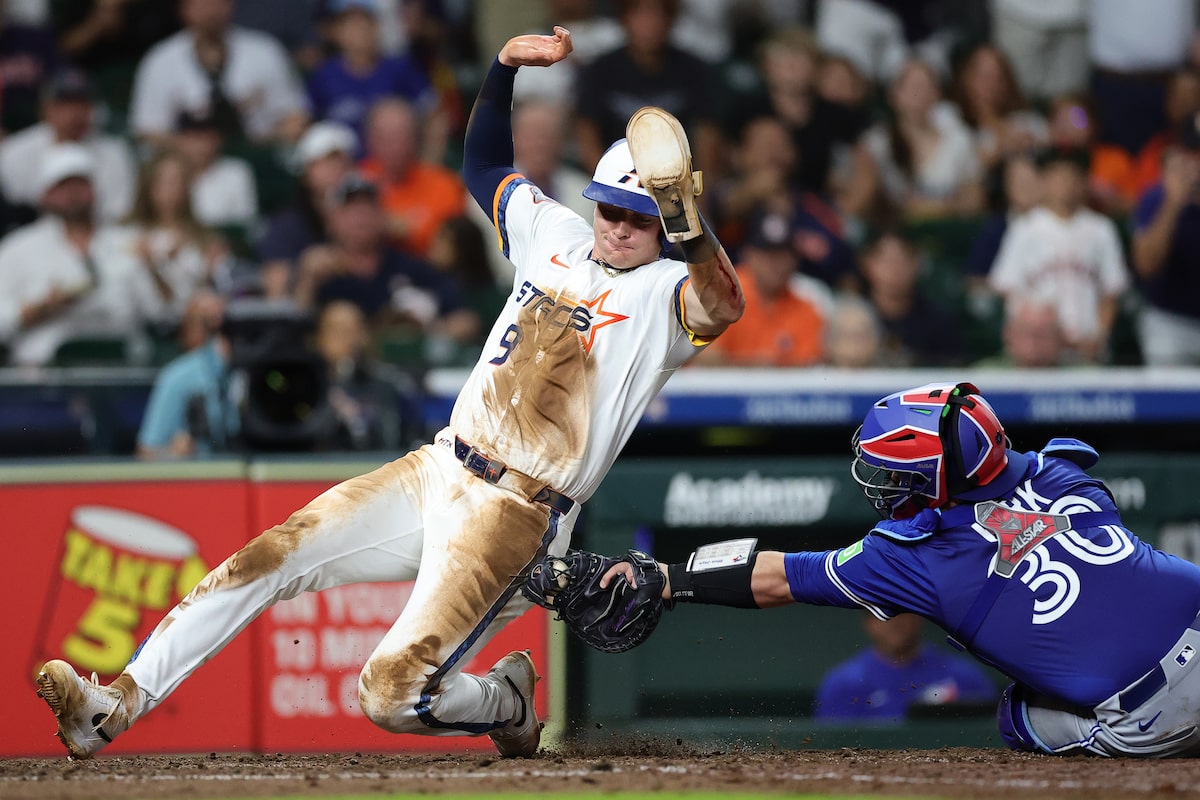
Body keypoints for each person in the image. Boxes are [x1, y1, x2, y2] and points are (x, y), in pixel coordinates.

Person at [34, 25, 744, 760]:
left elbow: (724, 305)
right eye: (610, 208)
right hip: (441, 467)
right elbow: (484, 163)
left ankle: (503, 701)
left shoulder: (667, 292)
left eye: (639, 215)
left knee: (388, 695)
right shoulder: (557, 233)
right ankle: (114, 703)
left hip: (518, 514)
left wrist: (690, 229)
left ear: (666, 224)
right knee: (267, 555)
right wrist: (501, 68)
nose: (620, 225)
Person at [585, 380, 1200, 757]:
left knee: (1017, 711)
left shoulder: (915, 556)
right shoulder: (1067, 472)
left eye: (899, 473)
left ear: (936, 478)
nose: (885, 483)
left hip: (1155, 719)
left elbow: (777, 575)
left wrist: (668, 578)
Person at [0, 143, 154, 366]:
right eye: (63, 187)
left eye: (80, 185)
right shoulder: (17, 248)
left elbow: (159, 313)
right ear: (45, 194)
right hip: (44, 374)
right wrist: (36, 309)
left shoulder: (130, 241)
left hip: (121, 368)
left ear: (94, 190)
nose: (73, 194)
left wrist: (155, 268)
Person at [293, 170, 479, 347]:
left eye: (368, 208)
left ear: (382, 216)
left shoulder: (411, 268)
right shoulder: (321, 274)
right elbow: (296, 331)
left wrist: (425, 330)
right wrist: (307, 282)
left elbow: (465, 321)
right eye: (350, 210)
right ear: (330, 221)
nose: (360, 217)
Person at [988, 146, 1130, 365]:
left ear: (1085, 181)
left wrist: (1099, 337)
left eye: (1072, 177)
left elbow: (1110, 292)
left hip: (1088, 347)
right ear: (1043, 181)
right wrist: (1031, 340)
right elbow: (1009, 290)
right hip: (1039, 351)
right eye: (1057, 177)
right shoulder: (1024, 228)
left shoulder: (1101, 229)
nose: (1065, 184)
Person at [128, 0, 310, 149]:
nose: (211, 10)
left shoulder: (264, 51)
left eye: (218, 2)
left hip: (260, 155)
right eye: (202, 3)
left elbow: (296, 117)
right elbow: (147, 130)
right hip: (189, 166)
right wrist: (190, 146)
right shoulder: (161, 60)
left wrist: (261, 140)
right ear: (184, 9)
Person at [306, 0, 446, 162]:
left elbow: (436, 118)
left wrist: (429, 162)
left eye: (364, 23)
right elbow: (308, 124)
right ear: (336, 32)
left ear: (376, 27)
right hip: (346, 174)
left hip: (398, 171)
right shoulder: (324, 75)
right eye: (350, 25)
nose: (359, 32)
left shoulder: (400, 68)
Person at [0, 66, 137, 223]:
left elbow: (119, 212)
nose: (75, 113)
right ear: (46, 108)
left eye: (82, 104)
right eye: (65, 104)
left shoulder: (114, 153)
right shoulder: (15, 151)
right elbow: (14, 211)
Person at [695, 209, 826, 368]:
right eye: (768, 254)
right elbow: (706, 361)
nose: (776, 264)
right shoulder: (720, 294)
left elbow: (809, 366)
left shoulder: (807, 308)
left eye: (783, 255)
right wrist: (763, 368)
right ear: (748, 255)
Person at [814, 612, 997, 722]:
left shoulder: (964, 676)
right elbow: (832, 750)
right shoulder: (843, 683)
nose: (896, 622)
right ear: (869, 623)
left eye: (902, 612)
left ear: (919, 616)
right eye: (884, 614)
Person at [256, 120, 358, 300]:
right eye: (326, 162)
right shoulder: (286, 226)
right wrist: (305, 271)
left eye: (342, 161)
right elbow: (275, 294)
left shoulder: (363, 216)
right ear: (305, 172)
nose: (337, 169)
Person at [1130, 113, 1200, 366]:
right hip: (1171, 324)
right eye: (1194, 152)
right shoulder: (1157, 198)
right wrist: (1173, 204)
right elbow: (1147, 266)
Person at [358, 96, 465, 259]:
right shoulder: (356, 183)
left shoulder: (444, 185)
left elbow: (450, 250)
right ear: (369, 141)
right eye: (385, 137)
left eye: (401, 136)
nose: (395, 146)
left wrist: (410, 234)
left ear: (416, 138)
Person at [135, 288, 235, 459]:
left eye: (224, 322)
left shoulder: (254, 371)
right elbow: (146, 452)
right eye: (206, 322)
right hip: (201, 478)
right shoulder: (178, 377)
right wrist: (174, 454)